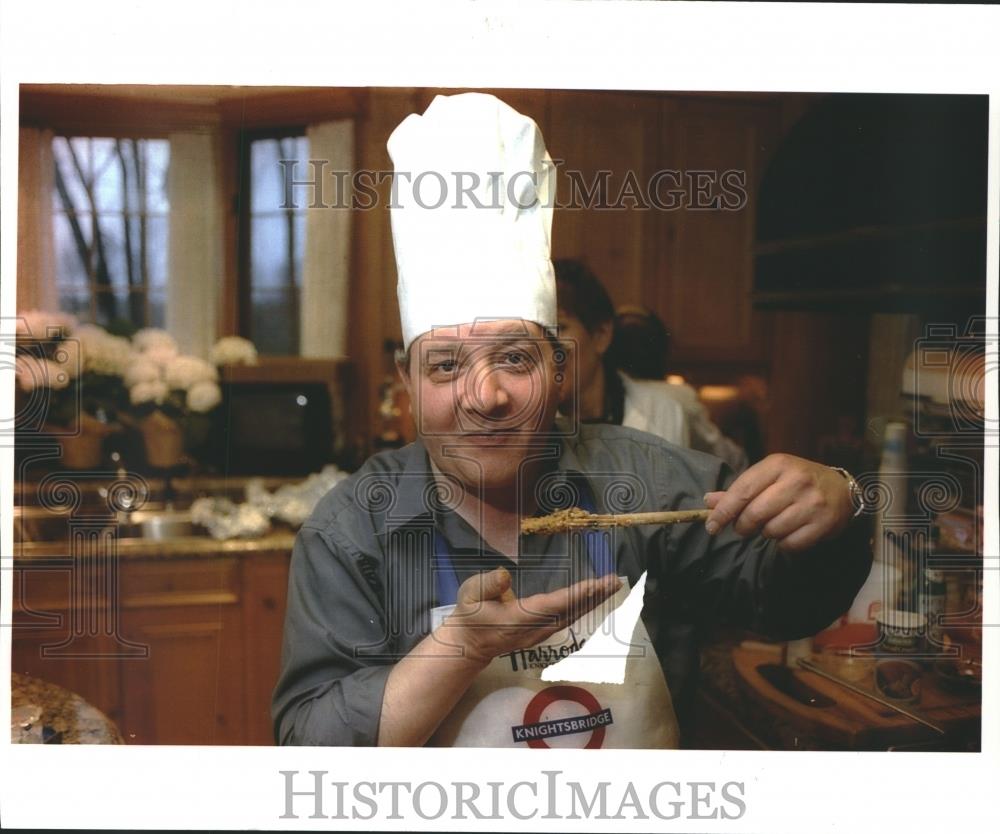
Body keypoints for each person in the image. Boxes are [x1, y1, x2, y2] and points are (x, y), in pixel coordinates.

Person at [272, 93, 872, 748]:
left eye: (515, 358)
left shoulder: (651, 481)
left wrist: (840, 511)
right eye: (445, 366)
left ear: (560, 372)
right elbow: (310, 746)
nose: (487, 394)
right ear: (406, 384)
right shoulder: (352, 531)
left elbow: (788, 605)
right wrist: (462, 647)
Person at [555, 259, 749, 473]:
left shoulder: (665, 412)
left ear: (601, 335)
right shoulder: (526, 421)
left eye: (559, 328)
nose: (546, 346)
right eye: (539, 332)